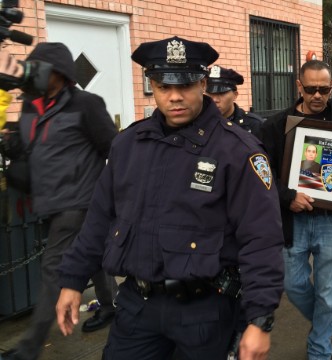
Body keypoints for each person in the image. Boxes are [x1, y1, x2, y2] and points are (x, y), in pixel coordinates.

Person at [54, 36, 284, 360]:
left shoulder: (237, 151)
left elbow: (262, 239)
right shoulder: (128, 145)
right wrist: (73, 280)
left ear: (203, 83)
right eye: (163, 86)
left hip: (205, 311)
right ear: (151, 85)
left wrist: (260, 319)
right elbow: (99, 219)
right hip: (137, 305)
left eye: (186, 85)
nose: (174, 96)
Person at [0, 43, 119, 360]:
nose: (33, 72)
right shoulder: (29, 105)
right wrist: (8, 139)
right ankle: (110, 307)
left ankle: (29, 348)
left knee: (54, 272)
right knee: (91, 257)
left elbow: (115, 150)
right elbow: (26, 150)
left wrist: (114, 198)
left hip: (79, 202)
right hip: (46, 201)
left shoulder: (86, 104)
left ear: (59, 73)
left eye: (40, 67)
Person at [259, 59, 332, 360]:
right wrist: (287, 196)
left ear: (331, 88)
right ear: (299, 87)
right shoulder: (276, 126)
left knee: (329, 296)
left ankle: (319, 352)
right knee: (294, 285)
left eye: (324, 89)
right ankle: (322, 328)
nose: (318, 96)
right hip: (295, 221)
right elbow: (261, 175)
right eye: (311, 89)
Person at [205, 65, 263, 135]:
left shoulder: (253, 125)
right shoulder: (199, 122)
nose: (214, 99)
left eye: (221, 93)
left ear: (235, 95)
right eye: (210, 93)